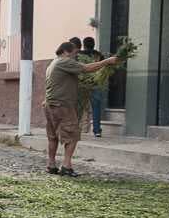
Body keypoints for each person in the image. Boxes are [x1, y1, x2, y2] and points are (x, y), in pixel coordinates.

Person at [44, 41, 119, 176]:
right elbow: (86, 68)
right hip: (62, 105)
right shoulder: (64, 61)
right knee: (73, 135)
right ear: (66, 52)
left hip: (50, 104)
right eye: (74, 53)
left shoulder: (53, 63)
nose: (75, 56)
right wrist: (107, 61)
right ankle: (66, 166)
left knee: (53, 136)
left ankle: (51, 165)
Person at [79, 37, 106, 138]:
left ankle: (78, 128)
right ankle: (97, 130)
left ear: (84, 44)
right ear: (94, 44)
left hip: (82, 85)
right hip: (95, 84)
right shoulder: (98, 55)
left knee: (79, 107)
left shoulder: (79, 55)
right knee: (96, 107)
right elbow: (104, 68)